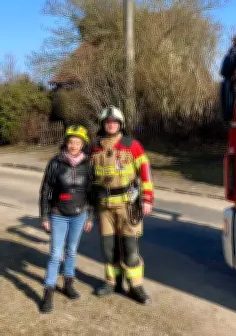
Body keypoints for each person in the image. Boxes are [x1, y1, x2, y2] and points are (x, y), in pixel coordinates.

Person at [90, 106, 154, 304]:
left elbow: (145, 173)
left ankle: (136, 286)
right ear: (102, 124)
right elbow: (87, 177)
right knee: (108, 248)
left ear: (121, 124)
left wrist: (147, 199)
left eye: (115, 122)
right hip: (104, 206)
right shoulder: (94, 146)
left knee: (130, 248)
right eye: (107, 122)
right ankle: (112, 282)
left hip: (128, 205)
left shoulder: (132, 145)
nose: (111, 125)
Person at [38, 125, 94, 314]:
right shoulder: (55, 163)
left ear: (83, 144)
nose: (74, 145)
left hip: (80, 214)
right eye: (71, 142)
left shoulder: (88, 164)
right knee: (55, 254)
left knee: (71, 251)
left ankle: (68, 284)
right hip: (58, 214)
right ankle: (48, 291)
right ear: (66, 143)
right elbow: (45, 191)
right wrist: (44, 216)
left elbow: (91, 192)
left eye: (78, 142)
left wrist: (90, 216)